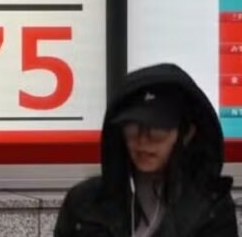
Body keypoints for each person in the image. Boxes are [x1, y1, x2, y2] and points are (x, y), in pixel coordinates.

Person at [55, 63, 237, 237]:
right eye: (133, 129)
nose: (143, 141)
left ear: (186, 134)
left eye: (157, 132)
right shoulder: (83, 202)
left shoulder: (211, 206)